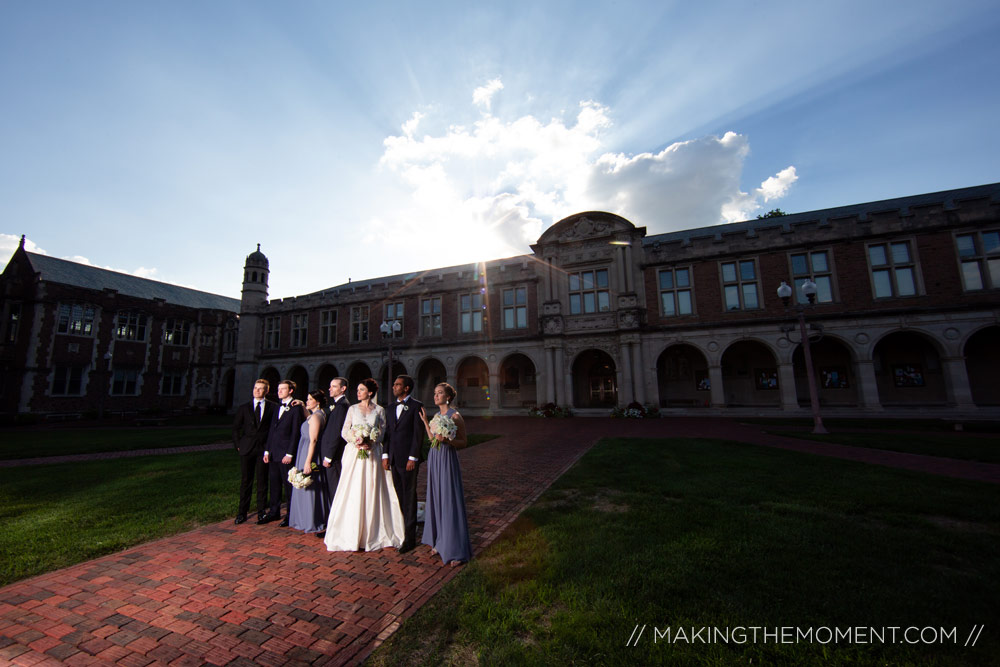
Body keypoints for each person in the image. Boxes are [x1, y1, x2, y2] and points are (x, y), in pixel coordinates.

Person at [324, 378, 405, 552]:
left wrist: (372, 440)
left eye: (361, 390)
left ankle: (373, 531)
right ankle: (351, 532)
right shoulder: (352, 409)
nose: (358, 392)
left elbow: (383, 432)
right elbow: (345, 431)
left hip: (373, 454)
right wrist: (357, 440)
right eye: (358, 390)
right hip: (354, 454)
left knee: (372, 488)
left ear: (369, 392)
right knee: (353, 489)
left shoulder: (380, 410)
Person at [418, 383, 472, 566]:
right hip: (435, 458)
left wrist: (448, 441)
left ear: (448, 397)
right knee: (436, 499)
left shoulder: (455, 416)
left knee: (449, 500)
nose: (436, 396)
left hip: (447, 459)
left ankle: (455, 550)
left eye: (439, 393)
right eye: (434, 393)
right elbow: (433, 439)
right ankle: (440, 543)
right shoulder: (436, 417)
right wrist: (426, 422)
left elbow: (463, 442)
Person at [382, 374, 424, 553]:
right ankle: (403, 530)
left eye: (397, 384)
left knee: (409, 497)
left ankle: (410, 539)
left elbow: (417, 435)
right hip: (393, 459)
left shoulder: (416, 406)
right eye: (394, 384)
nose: (394, 387)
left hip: (408, 460)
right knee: (399, 496)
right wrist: (385, 455)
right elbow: (388, 434)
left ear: (406, 388)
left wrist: (412, 458)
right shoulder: (390, 408)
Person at [231, 379, 275, 525]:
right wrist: (238, 445)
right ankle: (242, 513)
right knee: (246, 481)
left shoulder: (272, 407)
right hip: (247, 448)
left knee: (262, 481)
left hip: (263, 449)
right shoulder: (244, 408)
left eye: (261, 388)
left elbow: (273, 429)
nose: (257, 390)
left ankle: (261, 512)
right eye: (255, 388)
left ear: (266, 391)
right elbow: (236, 428)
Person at [260, 379, 303, 526]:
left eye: (282, 389)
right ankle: (274, 512)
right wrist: (267, 450)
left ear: (290, 391)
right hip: (273, 453)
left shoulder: (296, 408)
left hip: (286, 454)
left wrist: (290, 453)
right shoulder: (277, 407)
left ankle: (290, 515)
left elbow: (295, 432)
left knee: (288, 485)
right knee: (274, 484)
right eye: (278, 389)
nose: (279, 392)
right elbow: (272, 430)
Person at [288, 390, 329, 535]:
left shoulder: (317, 417)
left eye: (310, 399)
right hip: (304, 450)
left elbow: (313, 440)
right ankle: (303, 518)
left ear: (317, 402)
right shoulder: (316, 415)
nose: (307, 401)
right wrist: (302, 405)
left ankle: (311, 520)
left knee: (311, 485)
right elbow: (309, 418)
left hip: (308, 452)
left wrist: (308, 461)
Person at [319, 377, 351, 503]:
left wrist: (329, 456)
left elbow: (336, 433)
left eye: (334, 386)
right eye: (330, 386)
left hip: (334, 456)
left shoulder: (342, 406)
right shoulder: (338, 405)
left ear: (343, 389)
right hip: (330, 454)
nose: (330, 389)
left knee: (335, 488)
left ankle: (336, 520)